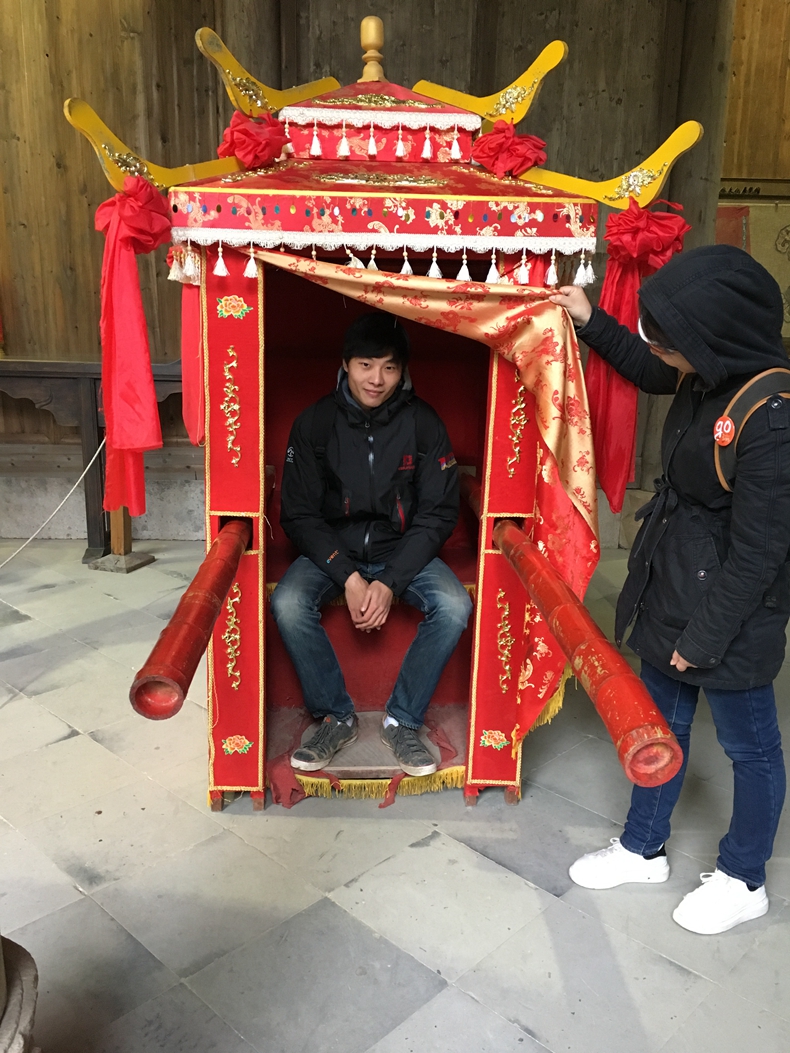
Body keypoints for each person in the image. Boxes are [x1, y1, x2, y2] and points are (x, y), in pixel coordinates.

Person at [550, 244, 789, 935]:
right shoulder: (708, 368)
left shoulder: (772, 416)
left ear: (711, 340)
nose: (663, 354)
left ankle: (744, 878)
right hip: (675, 576)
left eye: (671, 342)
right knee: (658, 728)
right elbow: (651, 367)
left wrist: (701, 639)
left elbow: (760, 555)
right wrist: (591, 319)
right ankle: (642, 848)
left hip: (734, 612)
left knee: (750, 748)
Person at [271, 311, 473, 778]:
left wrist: (390, 581)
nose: (376, 380)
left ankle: (402, 720)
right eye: (365, 365)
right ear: (346, 364)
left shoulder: (423, 424)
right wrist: (348, 575)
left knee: (454, 605)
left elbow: (438, 513)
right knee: (288, 602)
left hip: (401, 549)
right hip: (332, 550)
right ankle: (335, 717)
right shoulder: (315, 423)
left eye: (389, 367)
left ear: (402, 371)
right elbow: (298, 513)